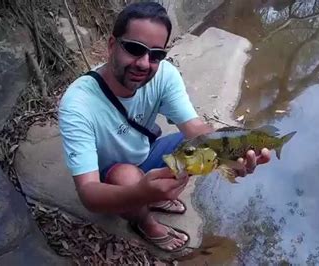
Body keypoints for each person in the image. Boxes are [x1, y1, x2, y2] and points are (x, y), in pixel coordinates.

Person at [58, 2, 271, 252]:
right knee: (126, 176)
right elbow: (88, 193)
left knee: (193, 144)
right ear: (112, 45)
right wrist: (141, 193)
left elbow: (195, 127)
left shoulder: (164, 75)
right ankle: (145, 221)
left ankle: (153, 194)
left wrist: (228, 157)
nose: (144, 63)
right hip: (110, 178)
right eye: (135, 49)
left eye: (156, 55)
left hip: (145, 152)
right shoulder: (77, 105)